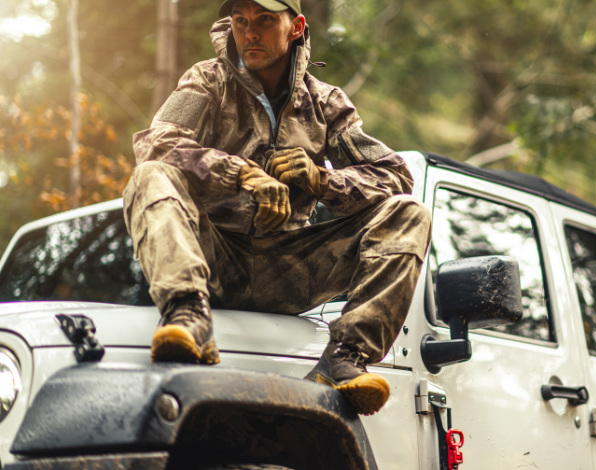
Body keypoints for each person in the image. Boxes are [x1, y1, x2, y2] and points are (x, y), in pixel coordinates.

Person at [123, 0, 431, 416]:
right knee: (149, 175)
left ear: (296, 26)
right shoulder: (207, 81)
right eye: (240, 21)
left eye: (265, 21)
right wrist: (242, 174)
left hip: (290, 270)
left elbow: (396, 176)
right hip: (216, 261)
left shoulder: (326, 104)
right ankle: (188, 317)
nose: (250, 33)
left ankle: (345, 359)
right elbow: (154, 144)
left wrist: (322, 179)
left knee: (410, 213)